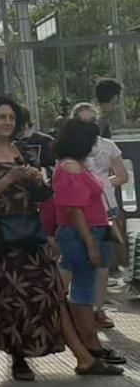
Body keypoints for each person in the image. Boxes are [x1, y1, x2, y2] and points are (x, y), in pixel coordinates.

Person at [0, 96, 120, 380]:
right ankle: (19, 358)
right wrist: (8, 179)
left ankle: (82, 357)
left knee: (51, 293)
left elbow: (41, 197)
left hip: (31, 232)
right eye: (2, 117)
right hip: (2, 238)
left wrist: (36, 180)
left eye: (12, 118)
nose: (7, 123)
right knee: (11, 298)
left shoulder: (20, 150)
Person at [52, 119, 127, 366]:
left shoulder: (76, 166)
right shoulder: (71, 168)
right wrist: (91, 244)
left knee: (85, 287)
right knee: (83, 289)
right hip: (83, 234)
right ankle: (91, 341)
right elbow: (75, 210)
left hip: (94, 229)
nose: (96, 145)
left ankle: (89, 339)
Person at [70, 102, 129, 328]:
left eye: (92, 122)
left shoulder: (108, 146)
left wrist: (102, 184)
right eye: (83, 122)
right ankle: (78, 306)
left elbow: (122, 175)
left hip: (105, 208)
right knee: (77, 258)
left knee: (103, 260)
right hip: (77, 209)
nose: (88, 127)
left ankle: (98, 308)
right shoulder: (70, 149)